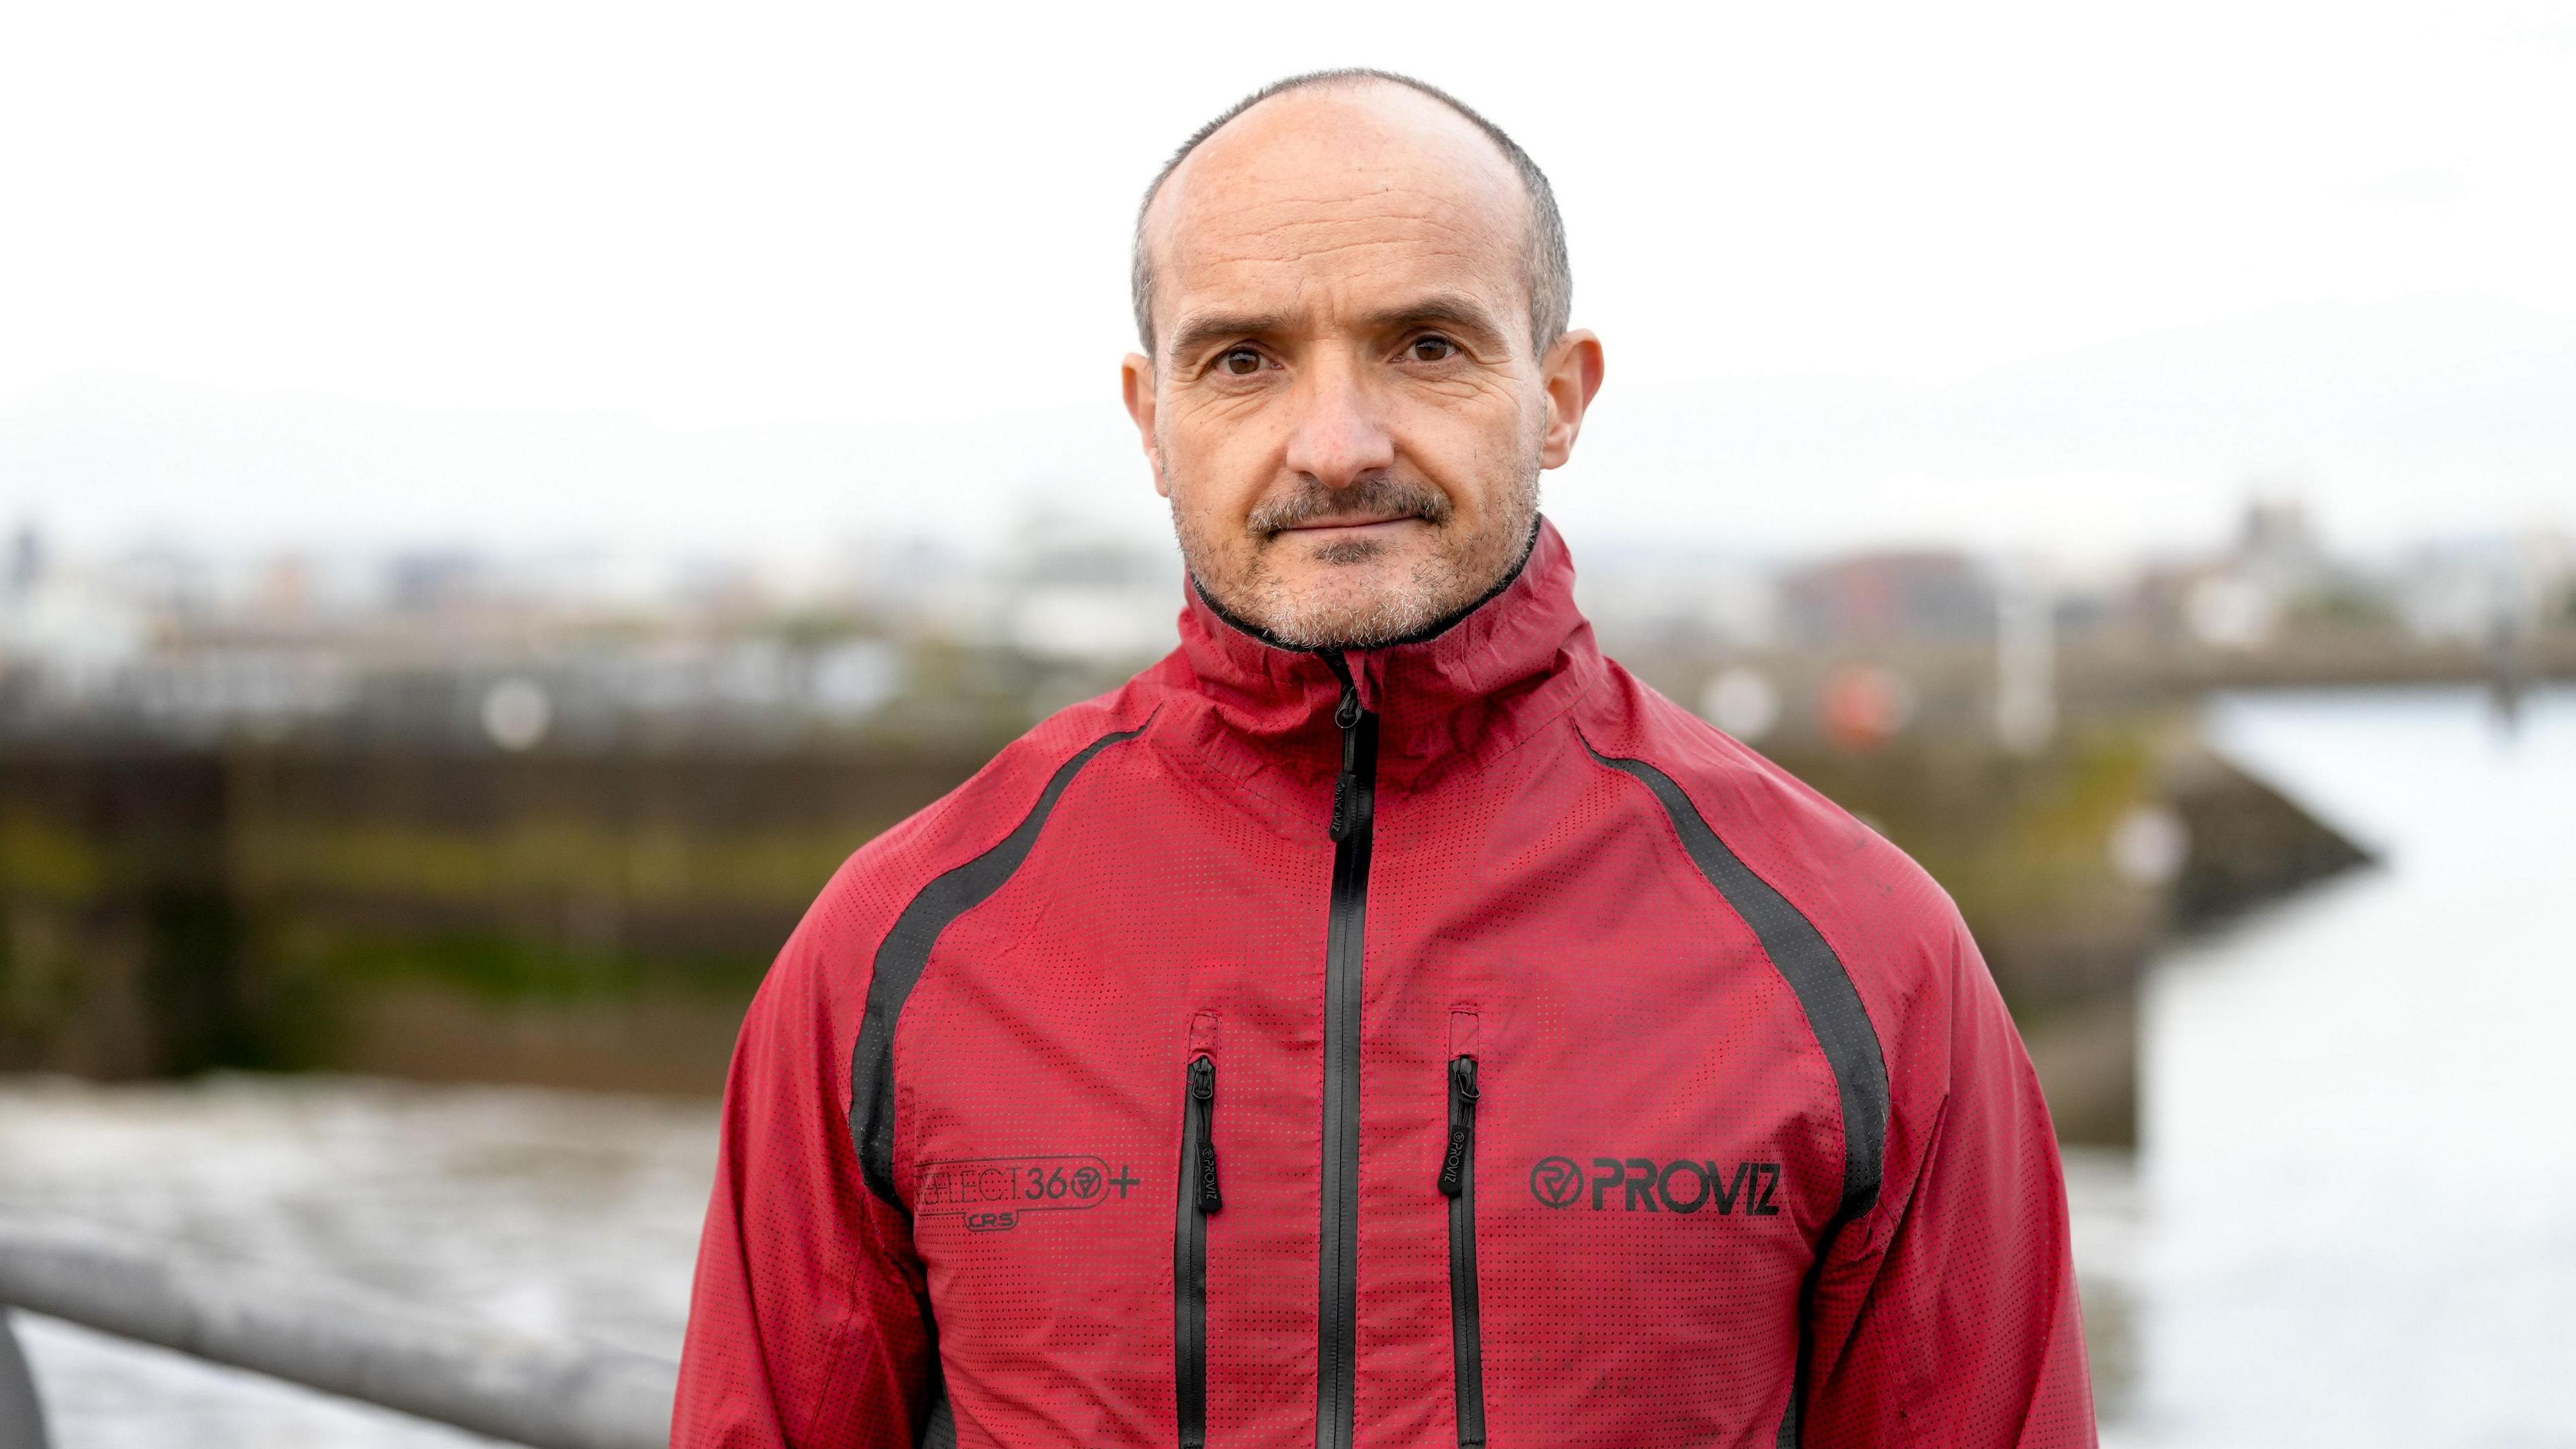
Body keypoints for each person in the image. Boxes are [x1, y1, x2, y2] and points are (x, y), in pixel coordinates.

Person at [674, 69, 2094, 1448]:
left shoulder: (1864, 953)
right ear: (1150, 418)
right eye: (1244, 360)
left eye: (1426, 345)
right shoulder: (895, 950)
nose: (1339, 444)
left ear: (1559, 396)